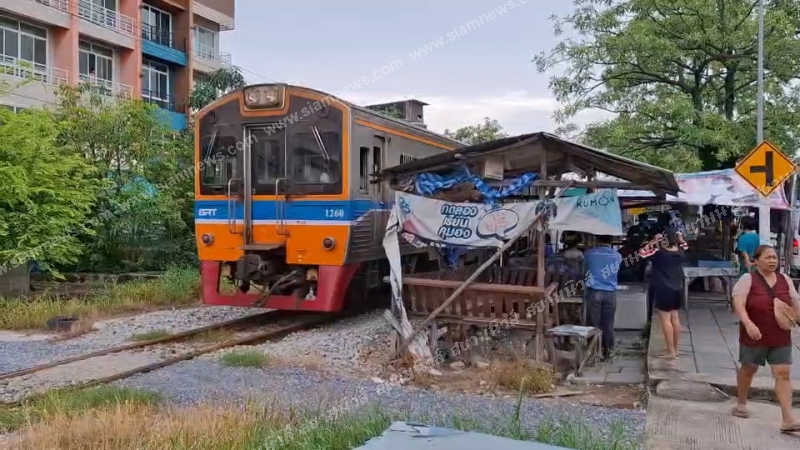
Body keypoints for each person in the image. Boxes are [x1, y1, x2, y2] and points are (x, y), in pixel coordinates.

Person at [730, 245, 800, 433]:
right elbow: (739, 302)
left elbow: (796, 303)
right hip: (755, 334)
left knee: (783, 373)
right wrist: (748, 323)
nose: (772, 261)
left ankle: (788, 418)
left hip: (780, 334)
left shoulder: (785, 280)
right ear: (756, 261)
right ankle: (741, 402)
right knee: (748, 369)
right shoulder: (748, 279)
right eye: (768, 257)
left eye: (774, 257)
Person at [639, 230, 687, 359]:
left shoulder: (659, 253)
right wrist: (680, 238)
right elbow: (685, 245)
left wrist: (653, 241)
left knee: (665, 320)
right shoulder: (680, 252)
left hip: (663, 289)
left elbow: (642, 253)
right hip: (678, 288)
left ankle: (670, 351)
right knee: (675, 317)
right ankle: (676, 349)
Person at [584, 235, 622, 359]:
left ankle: (592, 352)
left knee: (593, 325)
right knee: (608, 324)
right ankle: (608, 352)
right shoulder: (617, 256)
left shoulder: (589, 254)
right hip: (610, 293)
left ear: (597, 240)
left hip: (594, 292)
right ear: (611, 241)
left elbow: (585, 271)